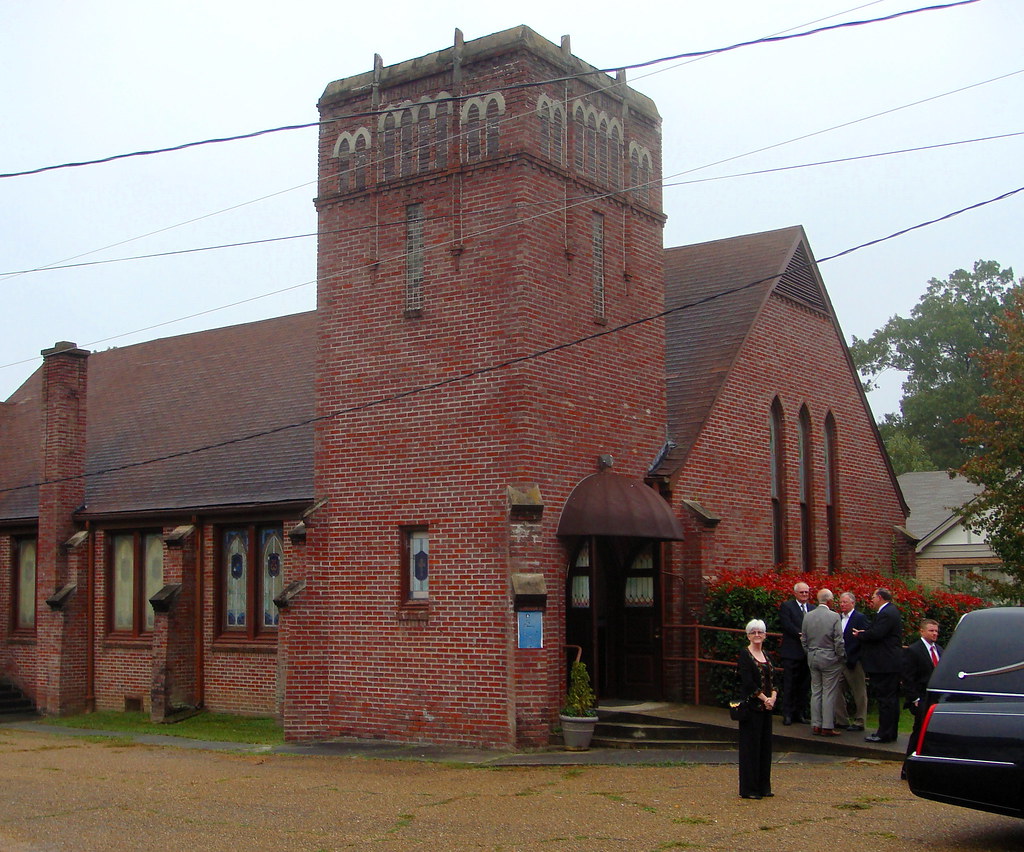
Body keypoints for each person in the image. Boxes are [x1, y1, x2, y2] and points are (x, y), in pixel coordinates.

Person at [853, 587, 903, 743]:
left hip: (884, 663)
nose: (872, 600)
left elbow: (877, 634)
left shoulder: (887, 613)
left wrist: (860, 634)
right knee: (890, 699)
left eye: (873, 597)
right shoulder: (890, 611)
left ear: (880, 597)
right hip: (889, 662)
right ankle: (889, 731)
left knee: (886, 699)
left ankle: (884, 733)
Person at [736, 618, 778, 800]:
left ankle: (763, 786)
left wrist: (773, 698)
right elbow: (748, 683)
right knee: (750, 748)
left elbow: (774, 680)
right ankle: (750, 788)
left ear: (765, 635)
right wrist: (763, 698)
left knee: (765, 747)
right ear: (748, 635)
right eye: (753, 632)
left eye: (760, 632)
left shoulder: (767, 655)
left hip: (766, 708)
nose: (757, 635)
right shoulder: (745, 655)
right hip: (752, 708)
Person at [801, 588, 846, 735]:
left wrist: (810, 652)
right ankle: (827, 726)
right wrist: (840, 656)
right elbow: (838, 640)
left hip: (813, 656)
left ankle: (816, 724)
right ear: (830, 600)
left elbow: (804, 639)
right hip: (830, 658)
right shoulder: (834, 617)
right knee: (829, 692)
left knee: (816, 691)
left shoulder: (808, 616)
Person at [903, 618, 943, 771]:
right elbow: (908, 677)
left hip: (935, 699)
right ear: (922, 631)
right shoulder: (914, 650)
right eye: (931, 630)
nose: (934, 634)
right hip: (921, 699)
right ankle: (908, 768)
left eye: (936, 631)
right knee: (918, 732)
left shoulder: (939, 650)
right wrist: (914, 698)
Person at [833, 591, 869, 732]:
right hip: (839, 660)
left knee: (859, 691)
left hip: (854, 660)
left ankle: (860, 721)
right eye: (841, 602)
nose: (842, 605)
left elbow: (865, 637)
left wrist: (856, 656)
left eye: (845, 602)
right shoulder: (837, 618)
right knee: (835, 689)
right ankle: (841, 719)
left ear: (852, 603)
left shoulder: (860, 618)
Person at [778, 582, 811, 725]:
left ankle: (800, 713)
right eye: (802, 592)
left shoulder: (812, 608)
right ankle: (787, 714)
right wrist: (799, 634)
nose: (804, 595)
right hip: (791, 651)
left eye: (806, 592)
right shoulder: (787, 606)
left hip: (806, 653)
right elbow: (786, 624)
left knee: (803, 685)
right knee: (789, 684)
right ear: (795, 593)